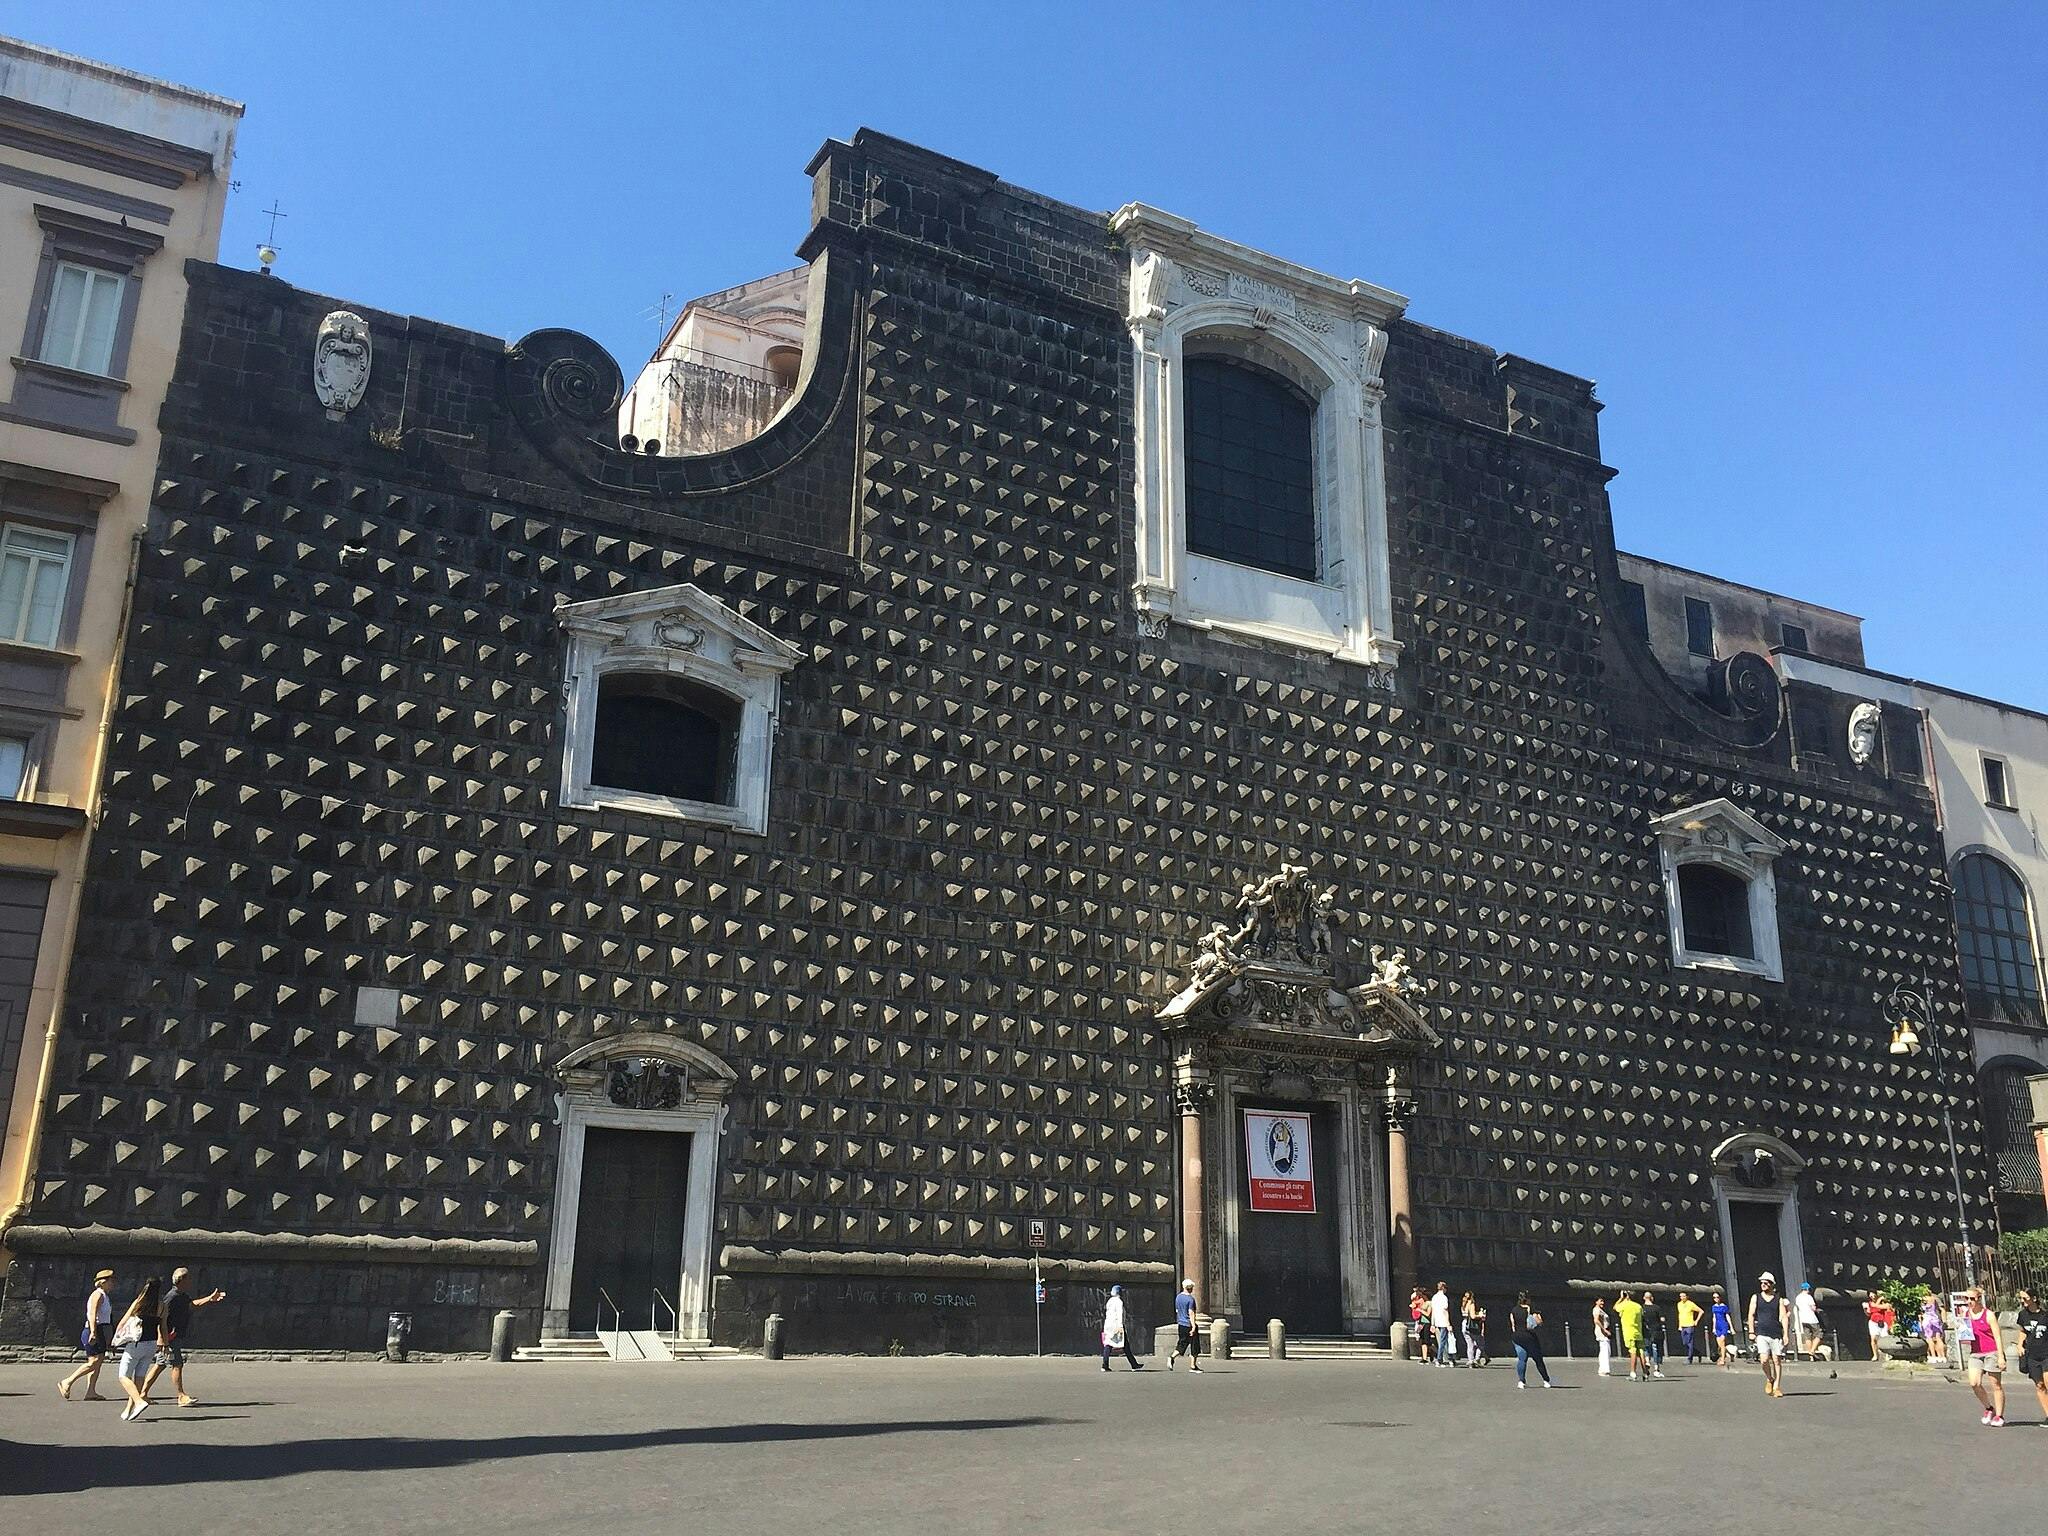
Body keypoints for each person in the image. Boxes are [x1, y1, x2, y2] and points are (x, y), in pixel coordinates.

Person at [141, 1266, 227, 1407]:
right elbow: (159, 1316)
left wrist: (209, 1299)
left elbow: (191, 1305)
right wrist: (162, 1339)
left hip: (172, 1337)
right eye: (188, 1279)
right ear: (181, 1280)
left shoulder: (181, 1295)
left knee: (159, 1365)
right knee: (177, 1365)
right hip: (170, 1338)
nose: (191, 1282)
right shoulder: (172, 1297)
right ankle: (181, 1396)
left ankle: (143, 1394)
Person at [57, 1268, 116, 1402]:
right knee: (94, 1362)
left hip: (101, 1330)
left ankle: (91, 1391)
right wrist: (94, 1332)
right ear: (103, 1282)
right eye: (111, 1281)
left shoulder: (105, 1296)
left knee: (98, 1361)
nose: (113, 1283)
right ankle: (67, 1381)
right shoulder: (98, 1295)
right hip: (93, 1330)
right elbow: (92, 1314)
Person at [112, 1276, 161, 1422]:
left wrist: (115, 1340)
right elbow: (163, 1326)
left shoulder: (139, 1303)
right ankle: (129, 1410)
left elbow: (124, 1321)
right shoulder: (161, 1305)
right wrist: (163, 1343)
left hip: (136, 1344)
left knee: (123, 1376)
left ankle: (139, 1402)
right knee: (139, 1377)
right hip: (152, 1344)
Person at [1960, 1287, 2004, 1426]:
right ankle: (1988, 1408)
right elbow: (1964, 1334)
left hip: (1991, 1351)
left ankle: (1999, 1415)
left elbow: (1997, 1336)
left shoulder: (1989, 1315)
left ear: (1979, 1299)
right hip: (1976, 1353)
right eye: (1966, 1299)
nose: (1969, 1302)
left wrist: (2001, 1356)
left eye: (1972, 1299)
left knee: (1995, 1384)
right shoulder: (1965, 1314)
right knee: (1974, 1383)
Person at [1748, 1271, 1790, 1398]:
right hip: (1761, 1332)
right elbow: (1751, 1314)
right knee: (1764, 1360)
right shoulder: (1756, 1297)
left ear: (1772, 1284)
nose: (1763, 1285)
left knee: (1777, 1360)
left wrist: (1786, 1334)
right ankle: (1769, 1378)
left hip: (1775, 1332)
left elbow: (1783, 1317)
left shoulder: (1779, 1299)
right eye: (1762, 1283)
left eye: (1766, 1283)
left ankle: (1777, 1387)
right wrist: (1751, 1331)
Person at [2011, 1285, 2048, 1422]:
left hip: (2046, 1353)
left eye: (2025, 1298)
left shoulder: (2045, 1315)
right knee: (2039, 1385)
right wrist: (2020, 1345)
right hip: (2032, 1355)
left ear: (2034, 1298)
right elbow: (2022, 1331)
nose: (2023, 1301)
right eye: (2021, 1298)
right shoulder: (2023, 1315)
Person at [1508, 1292, 1554, 1388]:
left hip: (1517, 1337)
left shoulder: (1514, 1310)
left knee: (1522, 1359)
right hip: (1529, 1337)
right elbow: (1539, 1322)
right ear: (1528, 1299)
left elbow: (1513, 1325)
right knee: (1538, 1359)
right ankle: (1546, 1380)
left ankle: (1521, 1381)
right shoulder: (1531, 1309)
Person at [1099, 1284, 1142, 1371]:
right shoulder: (1119, 1301)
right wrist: (1120, 1326)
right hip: (1116, 1326)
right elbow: (1120, 1314)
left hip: (1108, 1325)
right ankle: (1134, 1365)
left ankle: (1105, 1365)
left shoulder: (1109, 1301)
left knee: (1108, 1344)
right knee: (1125, 1345)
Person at [1168, 1278, 1202, 1373]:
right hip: (1189, 1324)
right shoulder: (1190, 1299)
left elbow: (1177, 1310)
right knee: (1194, 1346)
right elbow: (1191, 1313)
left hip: (1181, 1324)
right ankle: (1193, 1366)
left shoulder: (1178, 1297)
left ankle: (1172, 1357)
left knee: (1182, 1344)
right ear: (1190, 1288)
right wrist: (1194, 1326)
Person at [1614, 1288, 1645, 1381]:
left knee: (1633, 1351)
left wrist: (1620, 1298)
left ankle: (1633, 1372)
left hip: (1628, 1331)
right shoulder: (1638, 1306)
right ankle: (1645, 1373)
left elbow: (1615, 1307)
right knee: (1641, 1351)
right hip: (1638, 1331)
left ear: (1627, 1296)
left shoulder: (1624, 1305)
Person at [1640, 1291, 1667, 1378]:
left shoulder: (1641, 1308)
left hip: (1645, 1330)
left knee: (1646, 1348)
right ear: (1652, 1298)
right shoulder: (1657, 1308)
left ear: (1644, 1298)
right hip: (1656, 1330)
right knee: (1656, 1349)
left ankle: (1647, 1361)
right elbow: (1662, 1319)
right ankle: (1656, 1369)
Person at [1793, 1282, 1823, 1361]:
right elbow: (1813, 1308)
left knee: (1807, 1336)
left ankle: (1810, 1355)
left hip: (1803, 1319)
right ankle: (1812, 1351)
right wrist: (1817, 1310)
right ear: (1808, 1289)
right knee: (1819, 1334)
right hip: (1812, 1319)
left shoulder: (1798, 1297)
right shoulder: (1809, 1297)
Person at [1429, 1281, 1456, 1367]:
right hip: (1443, 1321)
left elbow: (1433, 1311)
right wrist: (1448, 1324)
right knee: (1444, 1341)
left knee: (1444, 1341)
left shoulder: (1434, 1297)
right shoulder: (1444, 1298)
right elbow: (1445, 1311)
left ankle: (1450, 1358)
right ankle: (1440, 1359)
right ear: (1443, 1288)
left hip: (1437, 1321)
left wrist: (1432, 1324)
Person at [1919, 1292, 1948, 1367]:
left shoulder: (1922, 1299)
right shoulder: (1934, 1298)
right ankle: (1942, 1357)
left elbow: (1922, 1311)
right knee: (1938, 1338)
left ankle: (1933, 1356)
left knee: (1929, 1339)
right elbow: (1941, 1309)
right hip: (1935, 1319)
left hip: (1927, 1320)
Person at [1675, 1291, 1702, 1365]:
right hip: (1683, 1325)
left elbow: (1701, 1311)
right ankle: (1697, 1352)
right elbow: (1680, 1315)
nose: (1682, 1298)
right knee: (1685, 1343)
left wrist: (1696, 1321)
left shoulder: (1690, 1304)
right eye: (1681, 1296)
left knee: (1690, 1342)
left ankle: (1689, 1359)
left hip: (1690, 1325)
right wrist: (1679, 1325)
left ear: (1687, 1297)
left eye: (1684, 1296)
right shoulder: (1679, 1304)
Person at [1461, 1291, 1486, 1367]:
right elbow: (1472, 1316)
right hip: (1472, 1326)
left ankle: (1470, 1360)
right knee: (1480, 1343)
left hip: (1464, 1324)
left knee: (1470, 1344)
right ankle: (1476, 1359)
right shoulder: (1471, 1304)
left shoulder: (1463, 1304)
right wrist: (1480, 1315)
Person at [1710, 1288, 1734, 1367]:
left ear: (1720, 1297)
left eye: (1717, 1297)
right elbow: (1714, 1317)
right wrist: (1713, 1327)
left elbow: (1727, 1316)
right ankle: (1727, 1354)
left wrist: (1731, 1327)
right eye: (1714, 1297)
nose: (1716, 1299)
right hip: (1717, 1326)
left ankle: (1722, 1359)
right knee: (1719, 1344)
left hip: (1724, 1325)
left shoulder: (1724, 1306)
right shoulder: (1714, 1307)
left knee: (1722, 1342)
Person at [1593, 1297, 1613, 1376]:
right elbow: (1596, 1320)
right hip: (1602, 1332)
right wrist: (1604, 1330)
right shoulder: (1597, 1310)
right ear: (1596, 1302)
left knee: (1605, 1350)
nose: (1602, 1303)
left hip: (1603, 1331)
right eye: (1600, 1301)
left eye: (1603, 1301)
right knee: (1605, 1350)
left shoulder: (1600, 1310)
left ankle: (1603, 1368)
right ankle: (1604, 1369)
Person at [1411, 1288, 1430, 1363]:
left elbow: (1428, 1314)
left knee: (1427, 1341)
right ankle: (1424, 1358)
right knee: (1423, 1340)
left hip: (1427, 1323)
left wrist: (1421, 1310)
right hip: (1421, 1322)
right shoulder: (1423, 1302)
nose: (1422, 1297)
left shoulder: (1429, 1303)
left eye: (1423, 1296)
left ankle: (1432, 1352)